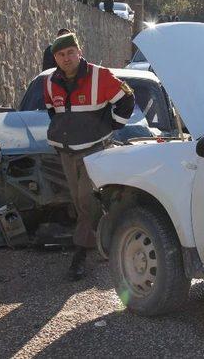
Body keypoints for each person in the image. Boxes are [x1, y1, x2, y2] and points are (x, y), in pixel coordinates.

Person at [43, 33, 135, 280]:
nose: (66, 58)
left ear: (79, 52)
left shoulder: (100, 76)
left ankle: (81, 254)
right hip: (66, 151)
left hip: (94, 149)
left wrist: (111, 126)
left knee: (85, 198)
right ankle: (99, 237)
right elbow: (54, 111)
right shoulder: (51, 81)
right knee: (78, 199)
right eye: (61, 55)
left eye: (70, 52)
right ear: (55, 58)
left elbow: (127, 99)